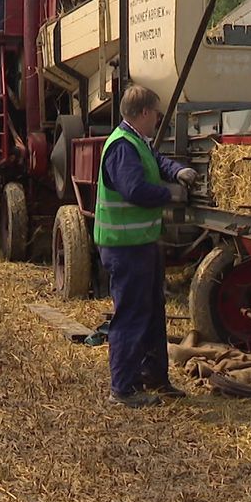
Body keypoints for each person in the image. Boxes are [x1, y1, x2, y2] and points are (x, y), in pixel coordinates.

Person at [95, 85, 195, 408]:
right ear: (141, 114)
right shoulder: (121, 148)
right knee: (132, 315)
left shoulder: (138, 142)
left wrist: (178, 170)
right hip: (125, 246)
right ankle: (122, 389)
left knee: (152, 312)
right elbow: (135, 189)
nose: (157, 119)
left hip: (142, 244)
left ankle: (154, 376)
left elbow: (157, 161)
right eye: (154, 112)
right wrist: (170, 194)